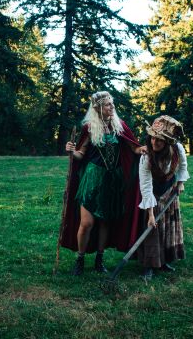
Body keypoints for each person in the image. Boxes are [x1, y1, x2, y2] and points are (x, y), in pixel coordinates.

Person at [61, 91, 147, 276]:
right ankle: (80, 259)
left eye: (112, 103)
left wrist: (143, 149)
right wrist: (71, 151)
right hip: (92, 179)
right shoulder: (89, 127)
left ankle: (99, 260)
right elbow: (80, 154)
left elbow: (134, 147)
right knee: (87, 223)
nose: (112, 106)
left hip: (112, 180)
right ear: (98, 108)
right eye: (108, 104)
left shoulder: (119, 125)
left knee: (105, 222)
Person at [137, 115, 189, 279]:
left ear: (167, 142)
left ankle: (164, 261)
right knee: (152, 228)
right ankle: (149, 265)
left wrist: (180, 183)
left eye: (159, 140)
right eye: (153, 138)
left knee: (168, 228)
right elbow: (145, 185)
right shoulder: (146, 156)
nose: (154, 142)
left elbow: (183, 166)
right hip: (153, 193)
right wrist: (151, 214)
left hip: (170, 191)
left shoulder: (177, 149)